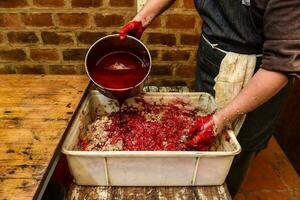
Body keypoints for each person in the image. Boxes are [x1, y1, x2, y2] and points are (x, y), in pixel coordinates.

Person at [119, 0, 300, 197]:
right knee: (197, 136)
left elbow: (281, 65)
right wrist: (142, 19)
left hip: (259, 78)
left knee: (234, 155)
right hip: (212, 54)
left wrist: (220, 119)